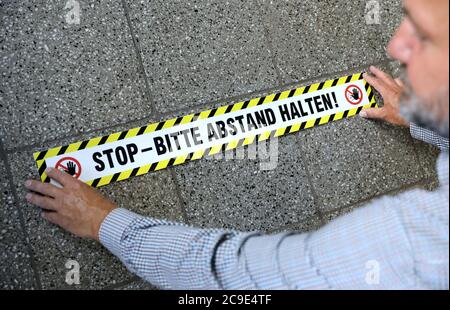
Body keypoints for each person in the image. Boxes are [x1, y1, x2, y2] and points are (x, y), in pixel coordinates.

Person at [25, 0, 448, 289]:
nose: (396, 45)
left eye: (428, 37)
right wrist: (425, 115)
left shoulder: (413, 249)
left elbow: (239, 275)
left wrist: (105, 223)